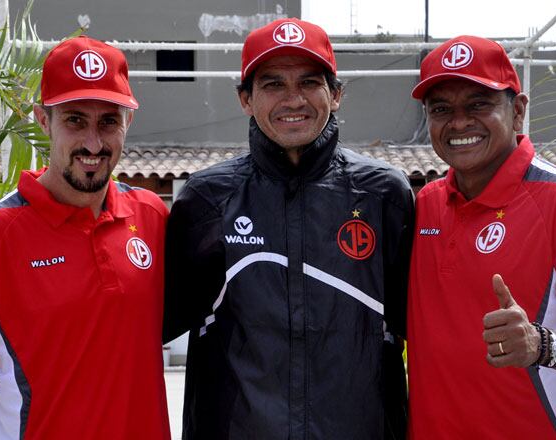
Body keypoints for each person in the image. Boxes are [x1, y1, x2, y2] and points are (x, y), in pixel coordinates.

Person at [0, 36, 171, 439]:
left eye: (108, 121)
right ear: (43, 121)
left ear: (127, 123)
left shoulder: (152, 216)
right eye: (75, 120)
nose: (93, 143)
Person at [163, 18, 414, 440]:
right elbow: (143, 325)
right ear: (245, 99)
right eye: (273, 84)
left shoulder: (383, 195)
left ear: (335, 95)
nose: (292, 99)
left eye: (309, 82)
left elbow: (423, 327)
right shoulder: (205, 200)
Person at [405, 35, 556, 439]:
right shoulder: (425, 205)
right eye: (441, 109)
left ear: (518, 111)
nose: (460, 122)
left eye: (479, 104)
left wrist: (542, 345)